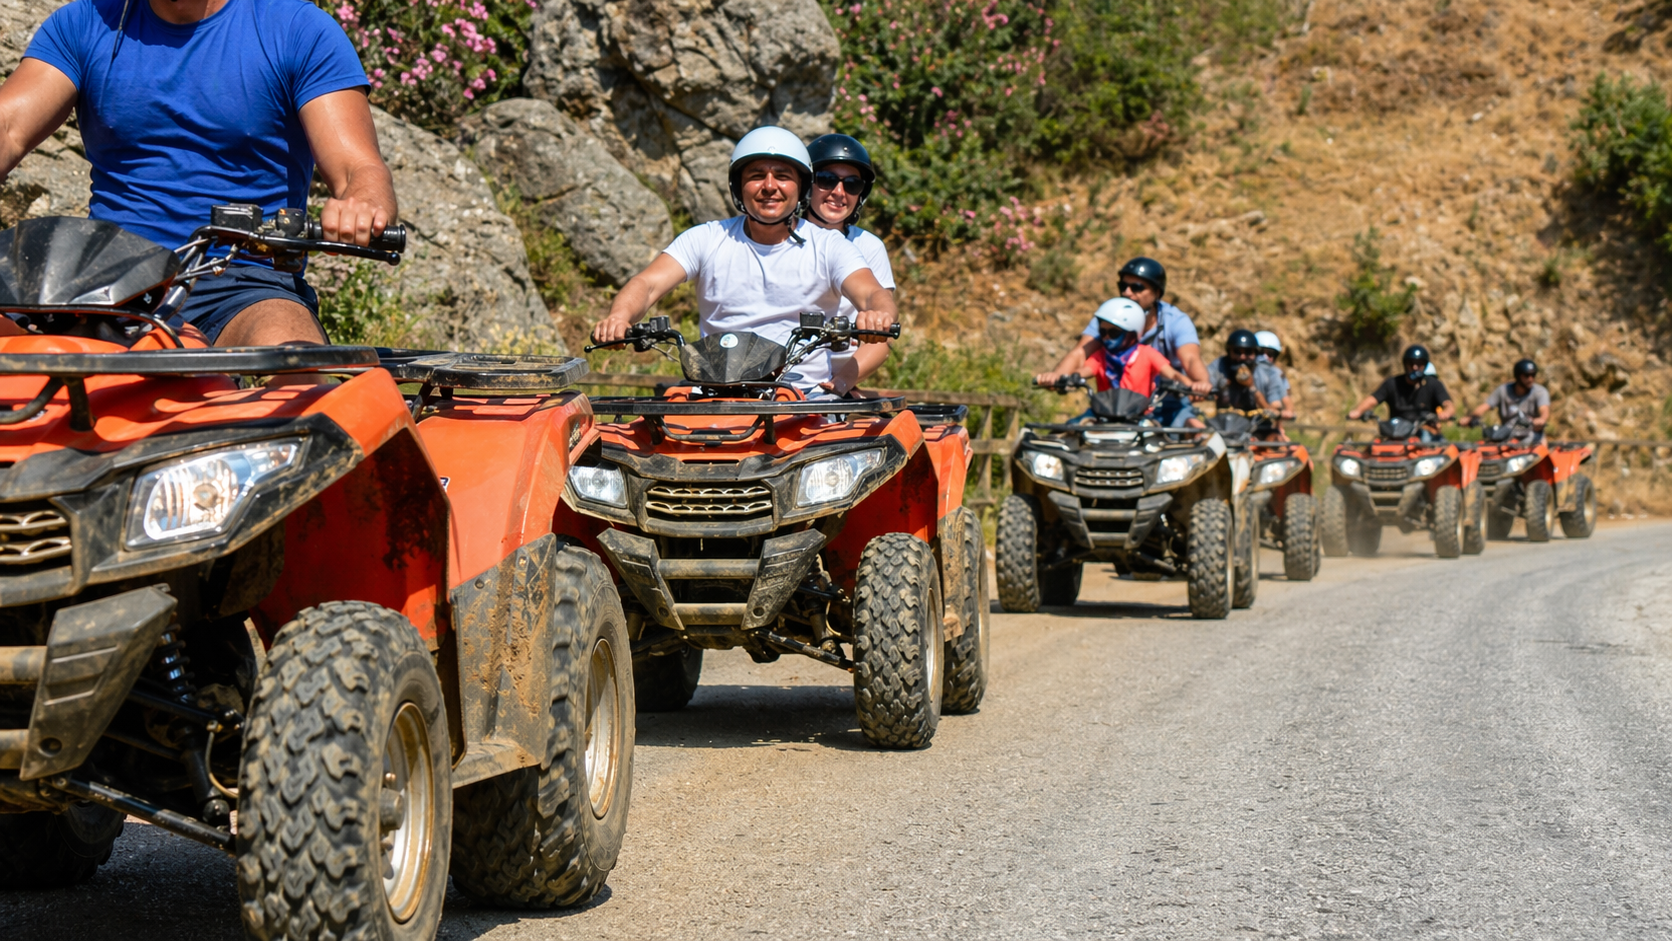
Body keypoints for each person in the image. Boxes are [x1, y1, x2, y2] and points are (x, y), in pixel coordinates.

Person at [0, 0, 397, 348]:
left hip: (241, 283)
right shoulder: (86, 22)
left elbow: (357, 167)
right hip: (101, 278)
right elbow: (8, 128)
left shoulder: (298, 29)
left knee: (294, 358)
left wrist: (362, 201)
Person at [591, 127, 896, 397]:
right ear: (738, 186)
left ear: (801, 187)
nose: (769, 185)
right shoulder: (706, 238)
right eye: (755, 175)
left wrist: (878, 315)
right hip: (712, 394)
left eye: (783, 176)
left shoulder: (829, 245)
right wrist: (620, 317)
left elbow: (872, 292)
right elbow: (647, 284)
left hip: (803, 399)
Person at [1035, 256, 1210, 426]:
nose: (1127, 292)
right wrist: (1057, 378)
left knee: (1195, 430)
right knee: (1070, 432)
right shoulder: (1111, 317)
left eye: (1137, 287)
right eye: (1123, 286)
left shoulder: (1176, 321)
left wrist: (1200, 385)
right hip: (1112, 407)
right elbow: (1081, 352)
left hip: (1168, 403)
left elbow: (1190, 358)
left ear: (1157, 292)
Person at [803, 133, 893, 396]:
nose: (839, 193)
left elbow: (881, 339)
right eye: (827, 180)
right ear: (806, 184)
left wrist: (838, 386)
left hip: (838, 381)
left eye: (852, 184)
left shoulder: (868, 246)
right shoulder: (782, 241)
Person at [1050, 298, 1207, 403]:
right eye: (1103, 332)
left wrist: (1191, 387)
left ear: (1132, 332)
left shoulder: (1147, 354)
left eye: (1114, 333)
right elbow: (1084, 371)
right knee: (1071, 434)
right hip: (1104, 415)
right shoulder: (1101, 356)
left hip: (1140, 416)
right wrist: (1066, 378)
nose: (1106, 338)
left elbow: (1172, 374)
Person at [1346, 344, 1455, 440]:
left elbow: (1448, 404)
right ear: (1405, 364)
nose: (1415, 367)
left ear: (1424, 366)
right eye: (1411, 363)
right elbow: (1373, 399)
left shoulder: (1433, 384)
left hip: (1424, 429)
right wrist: (1358, 411)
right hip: (1396, 431)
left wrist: (1446, 413)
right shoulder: (1392, 383)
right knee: (1375, 447)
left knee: (1430, 442)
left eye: (1419, 364)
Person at [1466, 359, 1550, 442]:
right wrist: (1471, 418)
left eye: (1533, 375)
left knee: (1537, 442)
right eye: (1527, 375)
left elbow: (1544, 410)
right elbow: (1485, 406)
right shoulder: (1503, 390)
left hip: (1531, 433)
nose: (1531, 379)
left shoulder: (1540, 392)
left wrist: (1541, 420)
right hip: (1506, 434)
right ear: (1518, 376)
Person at [1209, 329, 1286, 416]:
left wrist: (1251, 386)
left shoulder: (1268, 373)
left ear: (1256, 353)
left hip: (1257, 425)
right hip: (1224, 423)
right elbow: (1206, 386)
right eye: (1237, 351)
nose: (1242, 357)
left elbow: (1274, 410)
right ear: (1228, 351)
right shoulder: (1219, 366)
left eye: (1248, 352)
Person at [1253, 329, 1296, 420]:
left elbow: (1284, 398)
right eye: (1260, 352)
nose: (1264, 357)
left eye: (1270, 354)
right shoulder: (1246, 371)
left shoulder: (1277, 373)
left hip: (1266, 421)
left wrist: (1289, 411)